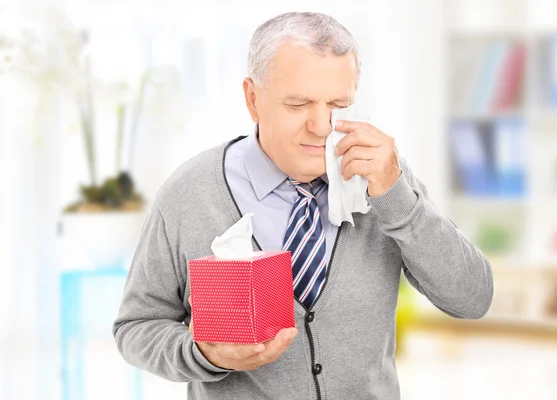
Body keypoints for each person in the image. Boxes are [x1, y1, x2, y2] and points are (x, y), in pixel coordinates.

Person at [113, 11, 493, 400]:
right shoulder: (190, 193)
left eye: (338, 103)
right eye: (298, 104)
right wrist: (203, 354)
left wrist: (398, 200)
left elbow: (473, 298)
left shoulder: (384, 181)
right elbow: (136, 326)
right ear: (253, 98)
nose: (322, 126)